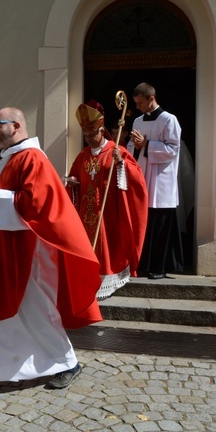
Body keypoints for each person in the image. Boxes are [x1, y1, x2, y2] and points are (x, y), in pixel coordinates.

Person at [0, 108, 102, 397]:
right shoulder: (12, 158)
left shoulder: (32, 158)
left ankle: (68, 363)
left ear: (15, 125)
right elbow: (7, 199)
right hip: (3, 250)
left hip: (26, 257)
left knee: (35, 313)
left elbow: (37, 204)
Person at [66, 101, 148, 299]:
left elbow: (137, 179)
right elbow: (74, 178)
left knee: (107, 244)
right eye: (86, 136)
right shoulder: (82, 156)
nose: (89, 139)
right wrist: (73, 183)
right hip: (86, 212)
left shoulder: (116, 150)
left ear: (101, 131)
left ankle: (107, 275)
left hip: (109, 210)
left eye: (92, 134)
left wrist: (121, 162)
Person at [127, 83, 184, 279]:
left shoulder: (169, 120)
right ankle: (144, 264)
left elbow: (173, 149)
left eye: (140, 102)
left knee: (160, 228)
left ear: (151, 98)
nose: (138, 106)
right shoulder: (137, 121)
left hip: (161, 182)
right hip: (143, 178)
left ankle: (159, 267)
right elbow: (130, 149)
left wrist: (147, 144)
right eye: (136, 103)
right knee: (145, 225)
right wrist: (135, 145)